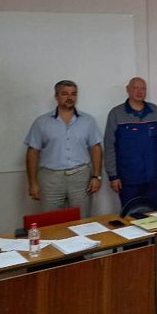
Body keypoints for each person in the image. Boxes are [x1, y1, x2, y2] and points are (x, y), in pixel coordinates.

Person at [25, 80, 103, 216]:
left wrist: (96, 176)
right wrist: (33, 183)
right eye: (64, 94)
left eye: (73, 94)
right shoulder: (41, 122)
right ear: (56, 96)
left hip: (80, 178)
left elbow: (96, 148)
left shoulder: (88, 121)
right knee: (51, 221)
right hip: (50, 179)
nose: (70, 97)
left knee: (82, 220)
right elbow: (32, 152)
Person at [105, 77, 157, 212]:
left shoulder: (155, 111)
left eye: (143, 88)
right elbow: (109, 145)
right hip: (128, 179)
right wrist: (113, 176)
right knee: (131, 216)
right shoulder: (116, 113)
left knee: (155, 216)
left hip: (153, 177)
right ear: (128, 89)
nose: (140, 91)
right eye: (135, 88)